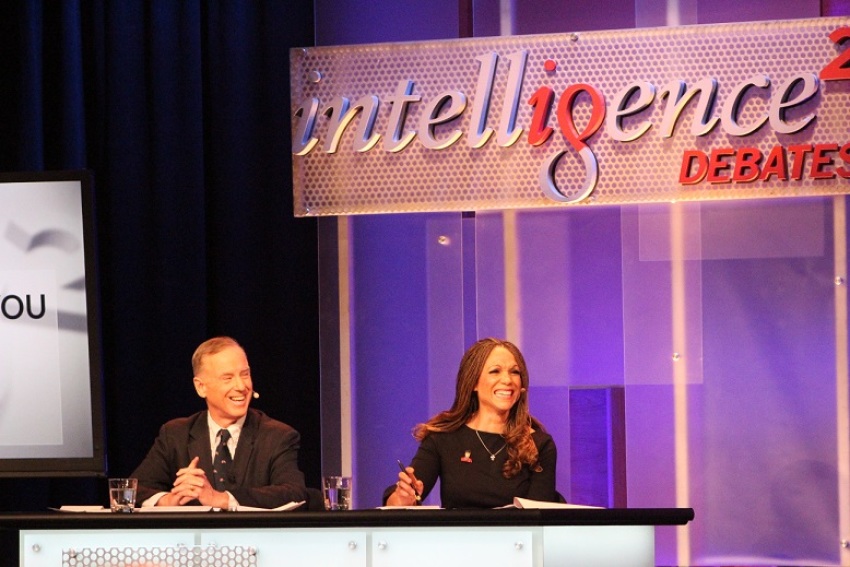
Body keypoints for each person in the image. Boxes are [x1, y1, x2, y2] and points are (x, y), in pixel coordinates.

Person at [131, 336, 308, 509]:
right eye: (228, 378)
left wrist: (221, 499)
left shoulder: (277, 436)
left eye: (245, 375)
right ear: (201, 387)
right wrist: (170, 500)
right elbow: (134, 490)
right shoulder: (175, 434)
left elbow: (293, 493)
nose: (241, 386)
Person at [384, 337, 557, 508]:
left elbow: (540, 520)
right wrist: (403, 498)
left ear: (522, 386)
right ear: (473, 382)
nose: (507, 380)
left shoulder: (539, 445)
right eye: (495, 371)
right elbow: (402, 499)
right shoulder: (442, 438)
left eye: (515, 372)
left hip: (516, 536)